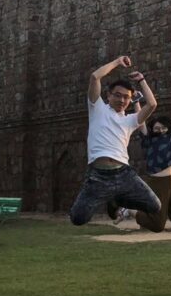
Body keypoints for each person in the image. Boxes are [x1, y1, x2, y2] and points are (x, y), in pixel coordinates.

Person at [69, 56, 161, 226]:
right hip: (98, 175)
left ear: (130, 100)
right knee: (77, 218)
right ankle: (110, 196)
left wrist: (142, 80)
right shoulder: (97, 109)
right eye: (117, 96)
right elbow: (95, 77)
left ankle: (118, 200)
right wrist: (117, 63)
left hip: (123, 174)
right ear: (108, 96)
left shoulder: (131, 120)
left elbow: (152, 104)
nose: (122, 100)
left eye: (126, 97)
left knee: (154, 205)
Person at [115, 88, 171, 231]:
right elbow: (141, 122)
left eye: (163, 128)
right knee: (157, 225)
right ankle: (129, 210)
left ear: (168, 129)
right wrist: (136, 103)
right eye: (156, 128)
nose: (160, 131)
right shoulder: (149, 139)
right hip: (158, 181)